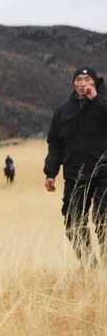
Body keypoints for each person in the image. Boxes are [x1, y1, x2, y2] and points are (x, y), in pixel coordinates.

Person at [43, 67, 107, 264]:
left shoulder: (103, 103)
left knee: (102, 219)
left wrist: (95, 99)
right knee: (73, 221)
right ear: (73, 83)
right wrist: (51, 172)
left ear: (94, 82)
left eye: (87, 79)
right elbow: (55, 143)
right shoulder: (63, 110)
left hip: (104, 172)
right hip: (75, 174)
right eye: (78, 79)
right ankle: (89, 264)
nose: (83, 83)